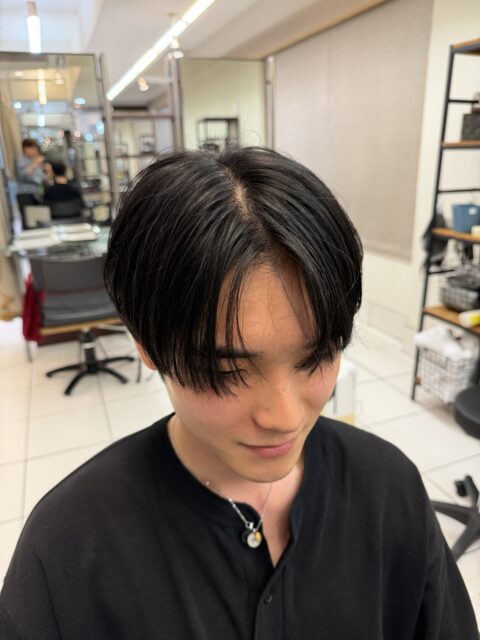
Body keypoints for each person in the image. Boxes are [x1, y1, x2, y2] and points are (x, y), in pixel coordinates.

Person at [0, 148, 477, 639]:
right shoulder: (67, 552)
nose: (285, 417)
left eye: (316, 356)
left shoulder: (389, 489)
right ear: (146, 345)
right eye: (227, 370)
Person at [15, 138, 46, 226]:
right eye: (33, 148)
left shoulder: (35, 160)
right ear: (26, 149)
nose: (35, 151)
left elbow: (41, 178)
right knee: (28, 222)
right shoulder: (21, 160)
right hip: (25, 194)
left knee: (38, 221)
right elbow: (23, 174)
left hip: (36, 194)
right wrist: (35, 164)